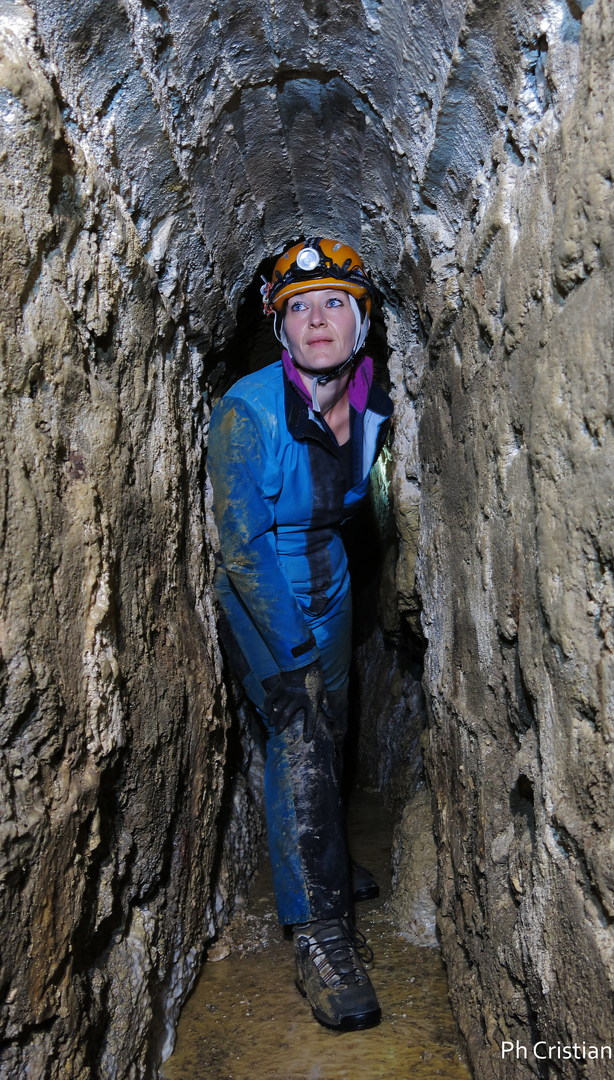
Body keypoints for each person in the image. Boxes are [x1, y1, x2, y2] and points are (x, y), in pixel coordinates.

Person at [207, 237, 393, 1031]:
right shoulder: (247, 413)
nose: (318, 319)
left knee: (337, 723)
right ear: (281, 329)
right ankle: (320, 938)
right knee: (302, 734)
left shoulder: (371, 397)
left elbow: (360, 501)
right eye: (300, 308)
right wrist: (293, 655)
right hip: (263, 592)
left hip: (330, 579)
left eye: (334, 305)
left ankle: (319, 856)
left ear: (359, 323)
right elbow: (242, 544)